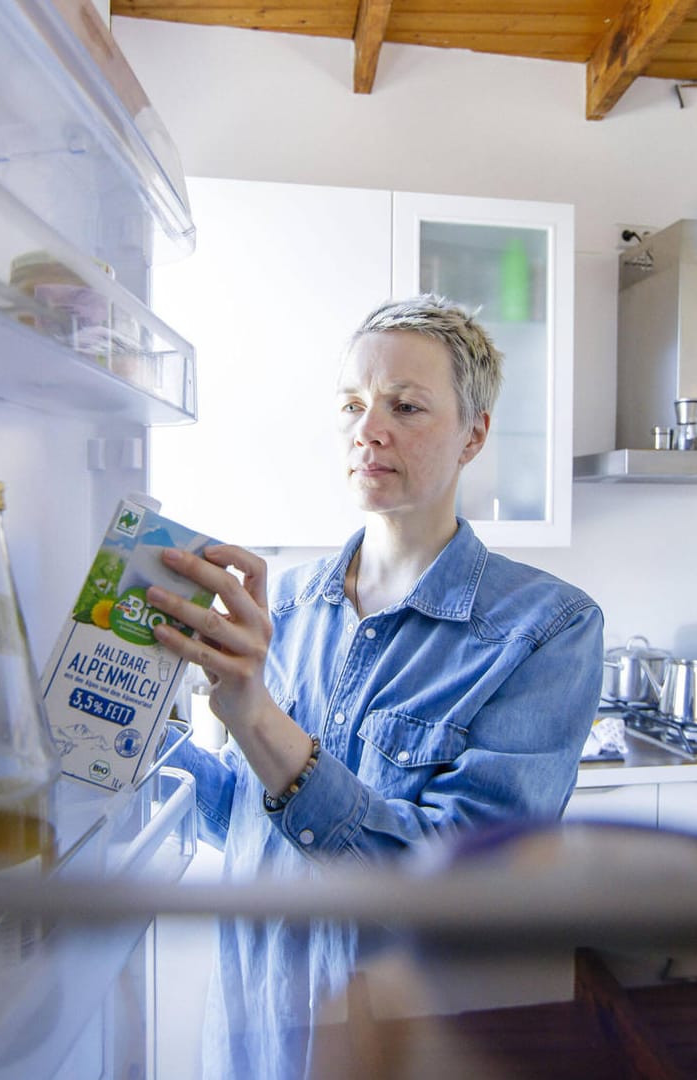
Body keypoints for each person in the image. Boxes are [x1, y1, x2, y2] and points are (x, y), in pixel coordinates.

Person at [146, 294, 605, 1079]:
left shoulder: (547, 629)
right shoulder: (282, 604)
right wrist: (128, 713)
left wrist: (256, 716)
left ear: (475, 434)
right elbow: (248, 823)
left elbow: (461, 888)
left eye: (406, 406)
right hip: (252, 1030)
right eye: (353, 405)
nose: (369, 428)